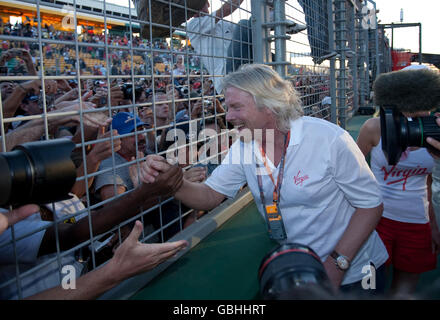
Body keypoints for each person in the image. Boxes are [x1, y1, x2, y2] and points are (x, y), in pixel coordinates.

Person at [140, 64, 388, 296]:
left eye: (236, 107)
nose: (228, 116)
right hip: (301, 272)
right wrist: (174, 182)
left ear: (268, 105)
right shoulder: (244, 145)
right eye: (228, 107)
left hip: (357, 269)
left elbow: (371, 205)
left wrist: (335, 265)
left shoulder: (329, 139)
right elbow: (209, 196)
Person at [0, 159, 184, 299]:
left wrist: (112, 234)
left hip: (77, 280)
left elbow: (88, 224)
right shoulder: (5, 222)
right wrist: (143, 193)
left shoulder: (62, 197)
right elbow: (72, 234)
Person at [356, 65, 440, 298]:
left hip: (417, 220)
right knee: (369, 286)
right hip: (377, 219)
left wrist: (433, 225)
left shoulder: (434, 131)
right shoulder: (374, 127)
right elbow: (350, 171)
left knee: (403, 290)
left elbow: (429, 183)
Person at [0, 204, 187, 300]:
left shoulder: (66, 196)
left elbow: (78, 225)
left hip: (79, 273)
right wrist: (114, 273)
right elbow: (71, 234)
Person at [186, 0, 244, 94]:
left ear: (208, 4)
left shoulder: (224, 23)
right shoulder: (192, 25)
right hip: (224, 75)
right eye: (193, 6)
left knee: (245, 27)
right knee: (244, 24)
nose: (196, 7)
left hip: (239, 69)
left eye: (199, 3)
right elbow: (226, 9)